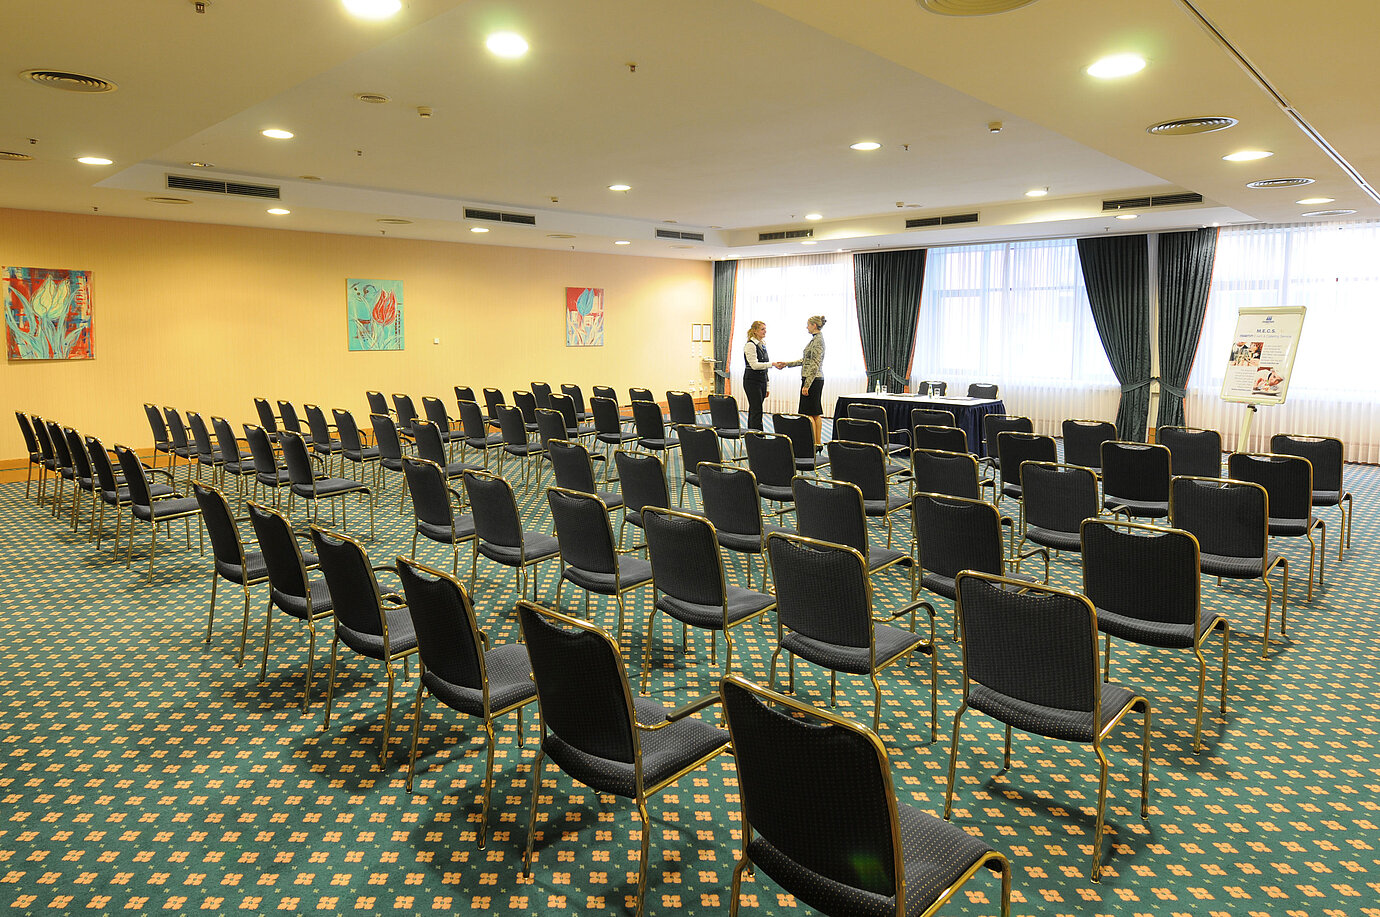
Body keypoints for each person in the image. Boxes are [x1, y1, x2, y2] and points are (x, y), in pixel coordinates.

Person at [775, 315, 827, 449]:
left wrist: (807, 384)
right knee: (814, 412)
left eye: (808, 325)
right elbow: (805, 361)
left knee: (809, 413)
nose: (807, 327)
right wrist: (787, 364)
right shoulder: (815, 339)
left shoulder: (818, 340)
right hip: (814, 379)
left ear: (814, 325)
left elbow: (815, 364)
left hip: (812, 380)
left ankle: (814, 443)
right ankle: (816, 443)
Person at [741, 321, 772, 430]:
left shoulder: (762, 345)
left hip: (762, 380)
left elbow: (765, 368)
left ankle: (754, 433)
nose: (765, 331)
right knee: (756, 409)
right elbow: (754, 365)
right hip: (752, 381)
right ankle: (756, 436)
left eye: (765, 328)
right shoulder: (750, 345)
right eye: (762, 329)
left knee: (757, 409)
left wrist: (767, 386)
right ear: (755, 331)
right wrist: (772, 364)